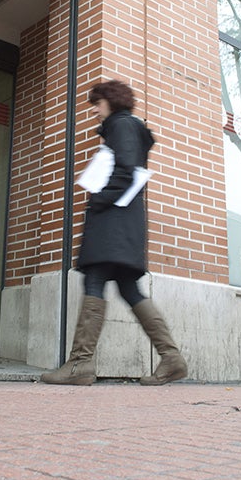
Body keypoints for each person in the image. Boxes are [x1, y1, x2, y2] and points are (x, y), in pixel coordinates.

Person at [41, 80, 188, 386]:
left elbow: (124, 173)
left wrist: (98, 199)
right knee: (129, 289)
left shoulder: (122, 126)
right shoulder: (126, 128)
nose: (94, 110)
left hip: (113, 221)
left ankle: (80, 363)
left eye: (98, 103)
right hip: (122, 223)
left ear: (112, 101)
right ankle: (172, 359)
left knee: (95, 279)